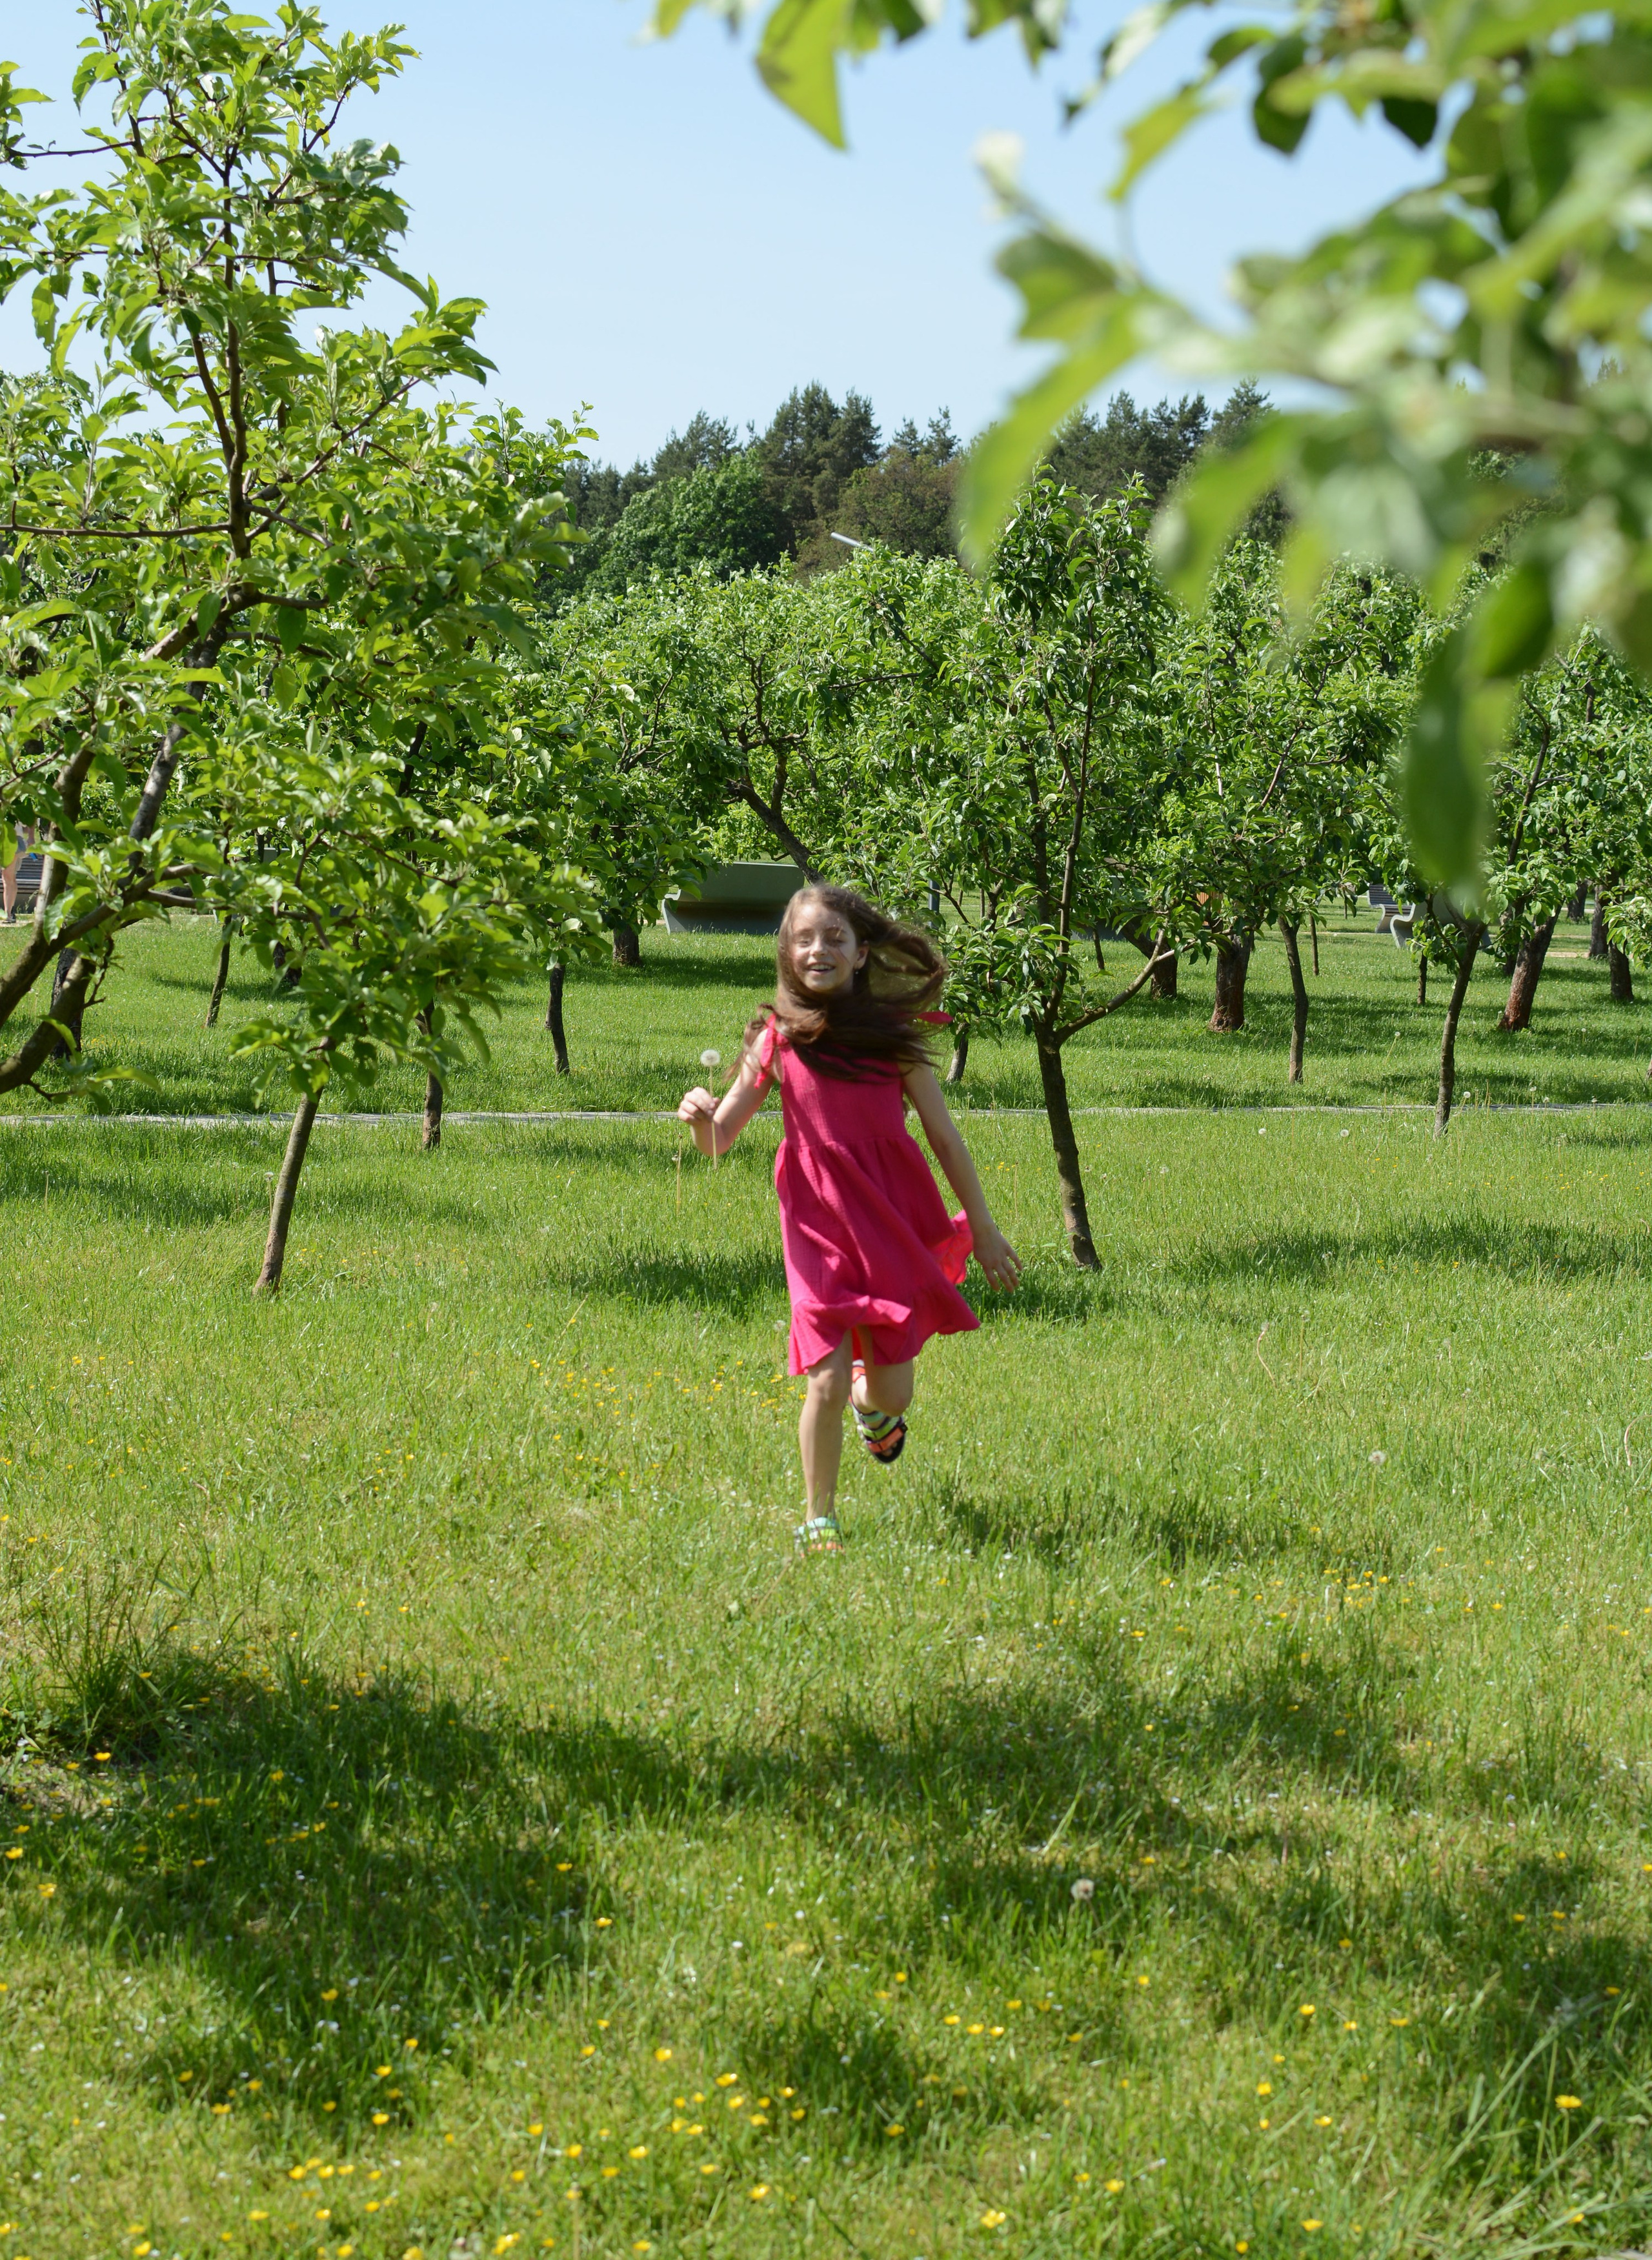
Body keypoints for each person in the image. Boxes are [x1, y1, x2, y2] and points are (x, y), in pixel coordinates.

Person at [677, 883, 1021, 1555]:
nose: (818, 950)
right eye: (804, 939)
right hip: (816, 1226)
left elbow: (945, 1136)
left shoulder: (893, 1039)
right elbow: (719, 1141)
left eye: (834, 939)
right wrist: (698, 1117)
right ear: (784, 952)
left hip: (889, 1218)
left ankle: (875, 1405)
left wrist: (981, 1227)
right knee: (825, 1379)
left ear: (862, 954)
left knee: (890, 1388)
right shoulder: (773, 1039)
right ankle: (819, 1518)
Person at [1, 821, 34, 925]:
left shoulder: (13, 807)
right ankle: (10, 912)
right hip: (7, 839)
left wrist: (31, 837)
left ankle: (8, 914)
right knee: (10, 877)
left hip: (11, 840)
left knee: (7, 877)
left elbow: (30, 820)